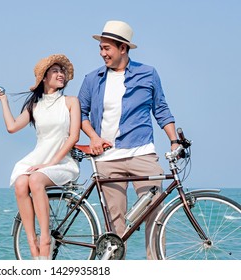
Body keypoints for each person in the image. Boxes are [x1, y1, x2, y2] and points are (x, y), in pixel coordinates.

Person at [78, 20, 179, 259]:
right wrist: (93, 136)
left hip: (142, 154)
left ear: (123, 48)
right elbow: (80, 113)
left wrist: (175, 141)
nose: (102, 53)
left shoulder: (148, 74)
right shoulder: (93, 79)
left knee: (155, 213)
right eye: (100, 48)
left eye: (107, 48)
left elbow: (161, 109)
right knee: (115, 224)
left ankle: (156, 268)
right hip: (108, 159)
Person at [0, 54, 81, 260]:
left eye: (62, 71)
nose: (61, 74)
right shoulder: (35, 105)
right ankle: (32, 243)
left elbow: (74, 136)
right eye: (55, 71)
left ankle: (45, 239)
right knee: (21, 184)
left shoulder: (70, 102)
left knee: (35, 179)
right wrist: (3, 100)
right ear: (44, 78)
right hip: (38, 159)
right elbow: (12, 127)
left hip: (62, 162)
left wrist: (51, 163)